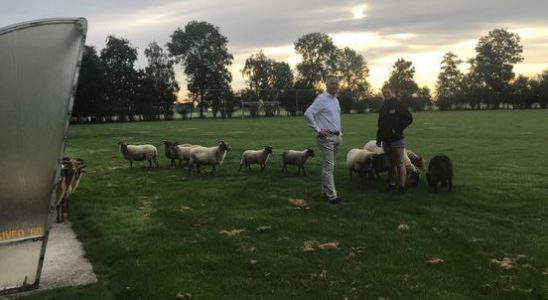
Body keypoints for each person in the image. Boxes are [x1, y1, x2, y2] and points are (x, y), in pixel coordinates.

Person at [304, 76, 342, 204]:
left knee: (328, 166)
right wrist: (318, 129)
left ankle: (325, 192)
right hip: (326, 138)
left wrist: (339, 134)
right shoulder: (321, 99)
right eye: (332, 83)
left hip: (336, 137)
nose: (335, 86)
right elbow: (308, 113)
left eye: (337, 83)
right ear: (326, 85)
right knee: (329, 167)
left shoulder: (335, 100)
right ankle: (332, 197)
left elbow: (335, 119)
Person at [376, 84, 413, 192]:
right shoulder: (383, 106)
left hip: (397, 139)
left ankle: (401, 187)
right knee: (391, 163)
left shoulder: (398, 105)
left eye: (388, 92)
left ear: (393, 92)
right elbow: (380, 124)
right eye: (384, 92)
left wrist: (397, 129)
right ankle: (392, 184)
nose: (386, 94)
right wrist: (378, 138)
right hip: (385, 140)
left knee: (400, 163)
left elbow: (409, 118)